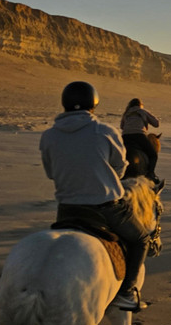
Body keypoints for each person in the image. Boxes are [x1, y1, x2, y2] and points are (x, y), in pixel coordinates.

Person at [39, 82, 152, 311]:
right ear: (93, 104)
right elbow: (120, 167)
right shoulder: (105, 131)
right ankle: (127, 293)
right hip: (105, 207)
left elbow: (51, 173)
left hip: (67, 209)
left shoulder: (48, 136)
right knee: (141, 239)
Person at [120, 97, 161, 183]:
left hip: (125, 137)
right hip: (139, 135)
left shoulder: (126, 113)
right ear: (140, 105)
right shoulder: (142, 111)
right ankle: (150, 174)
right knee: (153, 155)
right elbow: (156, 124)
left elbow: (122, 126)